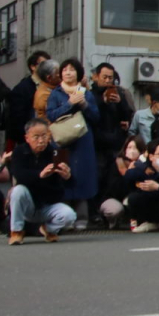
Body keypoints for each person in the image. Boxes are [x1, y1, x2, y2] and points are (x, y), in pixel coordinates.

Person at [45, 58, 100, 230]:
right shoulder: (56, 93)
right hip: (63, 139)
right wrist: (69, 104)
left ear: (78, 73)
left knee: (83, 174)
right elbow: (51, 115)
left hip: (83, 138)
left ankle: (82, 216)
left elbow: (96, 117)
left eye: (72, 70)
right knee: (63, 173)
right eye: (65, 70)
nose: (68, 73)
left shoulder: (87, 93)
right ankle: (65, 215)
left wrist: (84, 104)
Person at [8, 118, 75, 245]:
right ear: (27, 138)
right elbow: (19, 175)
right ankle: (16, 231)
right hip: (28, 204)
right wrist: (40, 175)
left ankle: (48, 229)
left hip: (49, 204)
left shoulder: (55, 153)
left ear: (49, 135)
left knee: (69, 216)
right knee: (18, 191)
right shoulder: (19, 152)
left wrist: (67, 177)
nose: (41, 140)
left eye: (44, 136)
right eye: (36, 137)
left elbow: (69, 185)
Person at [90, 62, 134, 196]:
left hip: (116, 142)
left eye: (110, 77)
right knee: (98, 176)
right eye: (105, 77)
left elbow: (127, 113)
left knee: (113, 177)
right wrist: (103, 102)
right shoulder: (90, 94)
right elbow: (90, 115)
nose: (108, 80)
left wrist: (120, 102)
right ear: (96, 77)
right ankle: (96, 209)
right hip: (98, 143)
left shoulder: (118, 92)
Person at [6, 50, 50, 148]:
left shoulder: (52, 85)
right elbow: (17, 119)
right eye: (43, 64)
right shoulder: (22, 89)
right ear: (33, 67)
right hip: (29, 139)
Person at [99, 135, 144, 230]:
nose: (132, 150)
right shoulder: (117, 163)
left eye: (135, 148)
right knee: (114, 210)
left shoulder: (144, 165)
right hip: (114, 197)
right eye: (129, 147)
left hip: (133, 197)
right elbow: (113, 187)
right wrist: (129, 174)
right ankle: (111, 221)